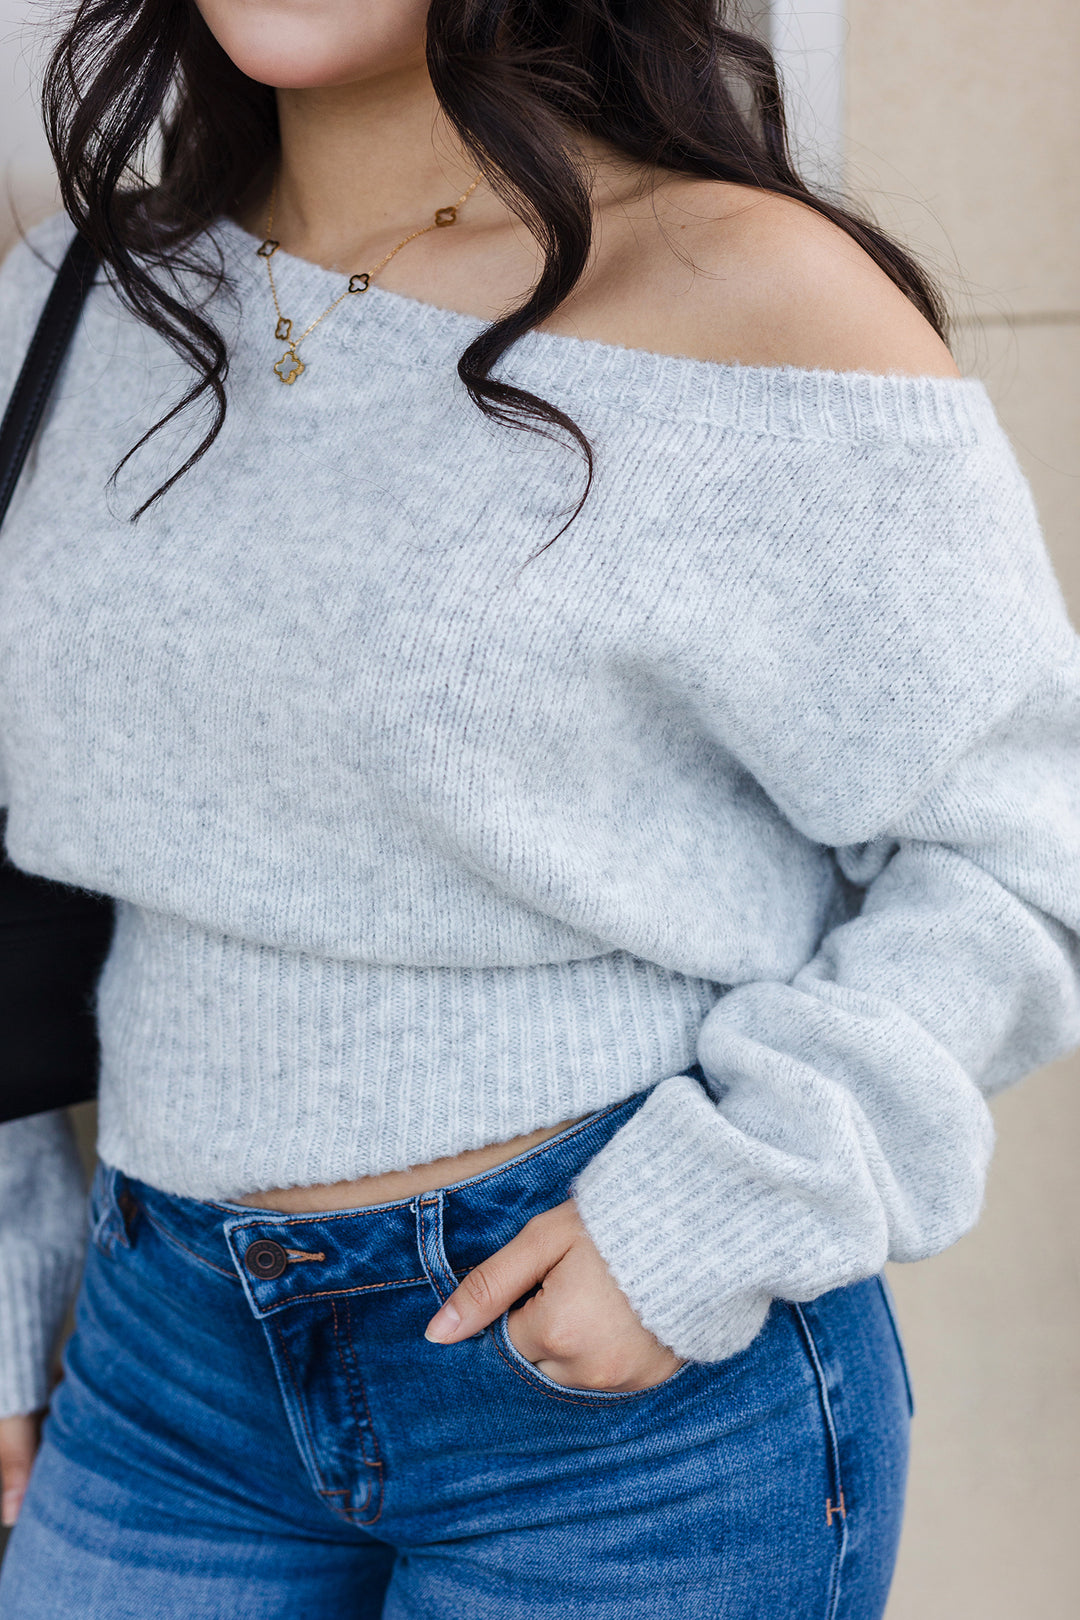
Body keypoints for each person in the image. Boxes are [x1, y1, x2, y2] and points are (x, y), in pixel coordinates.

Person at [0, 0, 1077, 1614]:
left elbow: (1029, 837)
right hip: (160, 1366)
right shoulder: (82, 290)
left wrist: (713, 1215)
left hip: (615, 1406)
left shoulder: (747, 296)